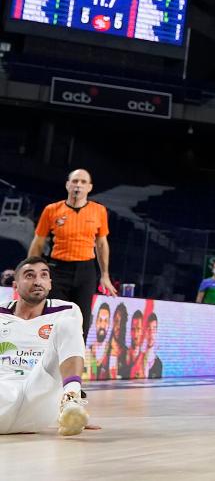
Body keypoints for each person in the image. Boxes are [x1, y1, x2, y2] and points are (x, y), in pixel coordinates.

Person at [0, 256, 91, 436]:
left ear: (50, 284)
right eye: (29, 275)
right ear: (15, 286)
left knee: (68, 324)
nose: (37, 281)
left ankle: (71, 401)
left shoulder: (67, 310)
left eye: (43, 275)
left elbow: (70, 348)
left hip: (41, 399)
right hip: (3, 394)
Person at [29, 168, 118, 337]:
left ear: (90, 187)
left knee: (80, 324)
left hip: (86, 271)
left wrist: (105, 275)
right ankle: (51, 362)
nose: (79, 185)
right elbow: (38, 242)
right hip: (57, 270)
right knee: (55, 322)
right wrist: (29, 271)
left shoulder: (99, 211)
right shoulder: (51, 210)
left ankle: (75, 363)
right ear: (67, 185)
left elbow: (101, 244)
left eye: (83, 182)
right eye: (75, 181)